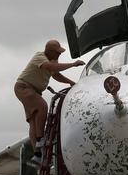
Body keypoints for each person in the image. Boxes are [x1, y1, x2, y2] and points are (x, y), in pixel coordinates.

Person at [14, 39, 85, 167]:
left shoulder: (53, 60)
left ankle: (37, 155)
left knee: (34, 120)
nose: (59, 55)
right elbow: (50, 67)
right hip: (24, 87)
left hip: (31, 90)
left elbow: (56, 75)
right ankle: (41, 139)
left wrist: (70, 82)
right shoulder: (40, 57)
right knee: (42, 106)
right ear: (50, 51)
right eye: (57, 53)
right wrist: (73, 64)